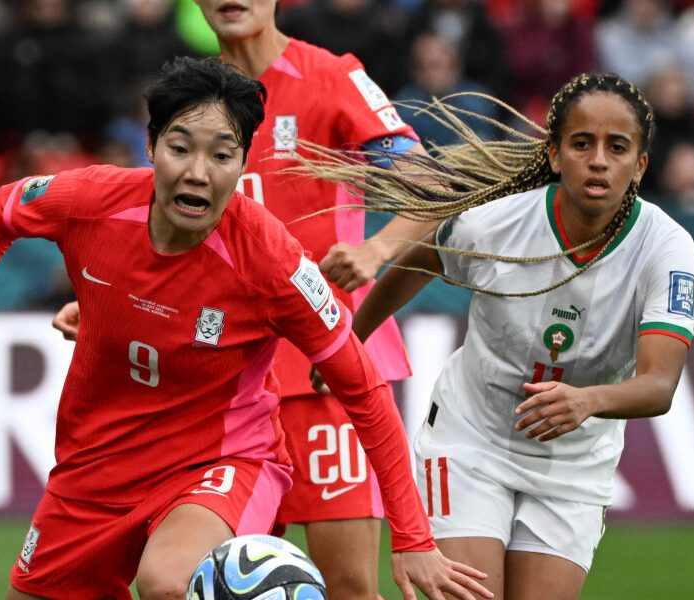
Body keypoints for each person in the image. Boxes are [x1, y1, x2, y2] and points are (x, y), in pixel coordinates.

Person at [0, 56, 491, 600]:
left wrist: (413, 538)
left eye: (222, 155)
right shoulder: (94, 201)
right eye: (180, 148)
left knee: (171, 581)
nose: (198, 173)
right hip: (94, 466)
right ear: (152, 145)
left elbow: (362, 387)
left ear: (243, 161)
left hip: (222, 462)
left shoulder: (272, 260)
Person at [51, 0, 440, 597]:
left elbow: (432, 182)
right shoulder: (198, 97)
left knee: (351, 583)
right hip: (223, 389)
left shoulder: (330, 76)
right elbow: (158, 227)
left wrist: (378, 248)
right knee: (210, 586)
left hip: (322, 373)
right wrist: (114, 304)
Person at [307, 72, 694, 599]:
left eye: (618, 147)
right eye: (582, 144)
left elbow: (659, 384)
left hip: (573, 466)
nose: (599, 160)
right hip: (472, 442)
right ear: (556, 156)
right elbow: (421, 261)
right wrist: (351, 342)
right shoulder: (496, 224)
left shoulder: (666, 249)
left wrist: (587, 401)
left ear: (640, 164)